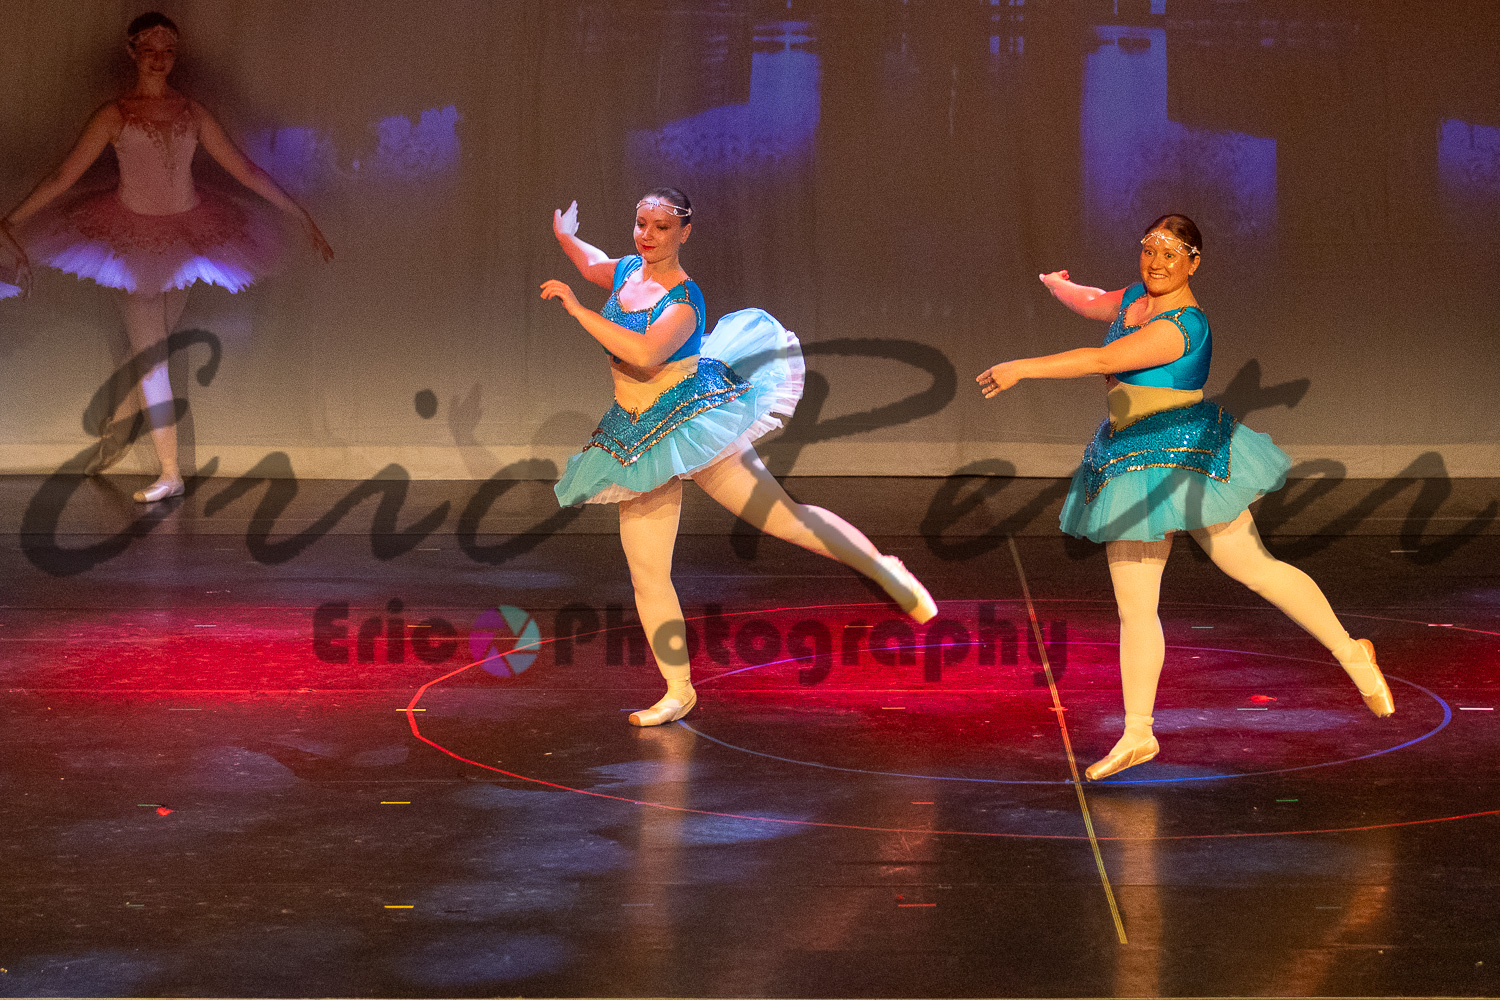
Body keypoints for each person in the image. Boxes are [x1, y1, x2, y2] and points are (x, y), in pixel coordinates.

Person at [977, 214, 1393, 780]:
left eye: (1171, 254)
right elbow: (1095, 302)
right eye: (1150, 249)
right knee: (1134, 608)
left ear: (1193, 263)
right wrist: (1059, 285)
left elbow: (1102, 360)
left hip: (1184, 456)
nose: (1156, 262)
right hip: (1128, 458)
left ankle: (1351, 652)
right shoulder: (1135, 300)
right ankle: (1138, 733)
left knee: (1253, 568)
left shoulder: (1183, 326)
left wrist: (1021, 369)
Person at [541, 189, 936, 726]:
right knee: (647, 573)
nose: (647, 235)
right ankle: (678, 690)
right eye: (641, 224)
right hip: (635, 435)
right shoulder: (628, 271)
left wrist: (576, 309)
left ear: (684, 232)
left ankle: (883, 568)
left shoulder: (684, 300)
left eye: (661, 227)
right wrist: (567, 237)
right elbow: (593, 265)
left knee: (784, 519)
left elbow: (644, 352)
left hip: (691, 422)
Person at [1, 12, 332, 502]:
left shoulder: (192, 112)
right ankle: (171, 472)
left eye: (168, 51)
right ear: (132, 52)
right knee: (153, 358)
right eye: (150, 50)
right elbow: (62, 178)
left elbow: (244, 170)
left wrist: (299, 213)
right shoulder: (114, 114)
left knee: (149, 352)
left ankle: (117, 431)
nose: (159, 60)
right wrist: (12, 219)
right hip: (132, 242)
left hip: (187, 238)